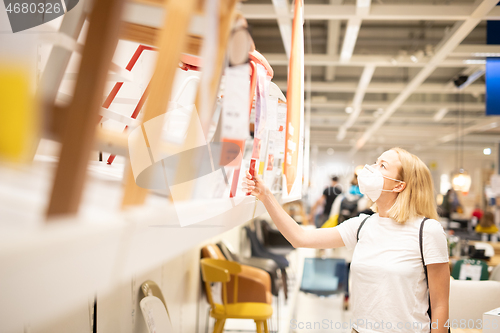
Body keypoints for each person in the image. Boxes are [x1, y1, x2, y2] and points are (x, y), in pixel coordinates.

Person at [242, 147, 450, 333]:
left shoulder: (428, 231)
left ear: (399, 186)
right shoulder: (361, 225)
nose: (371, 169)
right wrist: (266, 196)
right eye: (376, 162)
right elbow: (300, 238)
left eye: (382, 166)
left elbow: (440, 304)